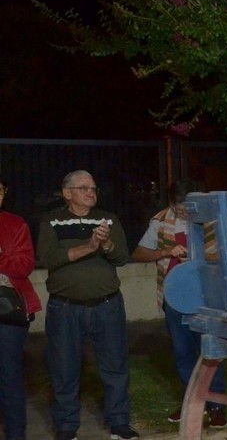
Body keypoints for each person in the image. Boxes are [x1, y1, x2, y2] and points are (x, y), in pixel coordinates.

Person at [35, 171, 138, 440]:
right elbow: (48, 258)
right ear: (67, 193)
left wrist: (106, 242)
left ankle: (119, 423)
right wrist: (89, 245)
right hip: (65, 308)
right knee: (64, 368)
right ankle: (67, 426)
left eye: (94, 188)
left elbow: (122, 257)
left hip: (107, 306)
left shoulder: (108, 219)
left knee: (115, 366)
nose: (91, 192)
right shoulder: (52, 220)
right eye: (84, 188)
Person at [130, 180, 226, 429]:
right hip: (174, 297)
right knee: (182, 354)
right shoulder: (160, 221)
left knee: (209, 352)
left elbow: (225, 255)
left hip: (205, 297)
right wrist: (165, 252)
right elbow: (138, 253)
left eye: (189, 207)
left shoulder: (211, 218)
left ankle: (217, 407)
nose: (185, 212)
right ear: (172, 203)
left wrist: (199, 257)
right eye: (181, 208)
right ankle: (192, 403)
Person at [0, 178, 40, 440]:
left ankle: (16, 435)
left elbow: (23, 266)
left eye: (0, 189)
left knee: (8, 376)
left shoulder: (15, 223)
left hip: (7, 310)